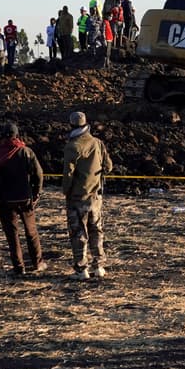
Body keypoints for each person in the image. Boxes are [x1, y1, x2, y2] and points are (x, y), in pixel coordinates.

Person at [0, 121, 45, 277]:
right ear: (17, 135)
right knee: (31, 231)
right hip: (25, 198)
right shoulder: (26, 152)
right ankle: (38, 263)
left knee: (12, 235)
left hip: (6, 201)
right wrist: (36, 193)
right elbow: (38, 174)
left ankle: (19, 267)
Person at [61, 111, 112, 280]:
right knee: (96, 230)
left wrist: (66, 191)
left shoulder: (72, 146)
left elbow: (68, 174)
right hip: (96, 197)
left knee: (78, 233)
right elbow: (108, 166)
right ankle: (99, 266)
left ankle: (82, 269)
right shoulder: (97, 143)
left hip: (77, 197)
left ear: (71, 125)